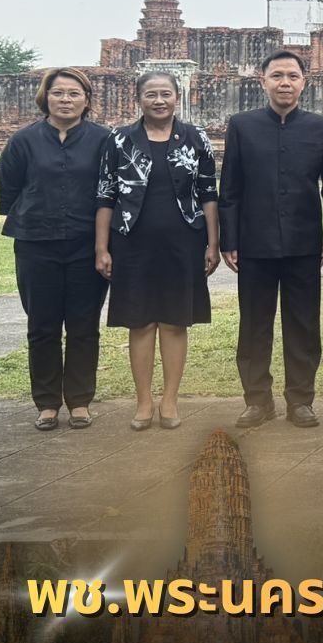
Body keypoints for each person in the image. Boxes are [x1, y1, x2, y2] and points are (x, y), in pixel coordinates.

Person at [219, 49, 323, 429]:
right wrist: (229, 239)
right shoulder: (242, 125)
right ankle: (257, 401)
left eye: (292, 75)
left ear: (304, 82)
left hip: (303, 242)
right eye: (277, 75)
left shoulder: (319, 127)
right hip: (254, 243)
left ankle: (300, 400)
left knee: (303, 324)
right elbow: (230, 188)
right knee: (254, 324)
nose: (285, 82)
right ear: (263, 81)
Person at [94, 71, 219, 431]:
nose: (159, 100)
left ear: (177, 98)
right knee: (141, 321)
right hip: (132, 241)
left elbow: (209, 193)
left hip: (184, 240)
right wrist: (102, 248)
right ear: (139, 99)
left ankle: (170, 400)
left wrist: (213, 243)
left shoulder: (195, 138)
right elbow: (105, 194)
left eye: (166, 93)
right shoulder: (119, 139)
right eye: (151, 94)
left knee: (175, 321)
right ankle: (144, 401)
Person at [0, 67, 110, 431]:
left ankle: (79, 401)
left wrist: (103, 245)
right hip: (35, 243)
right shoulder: (24, 141)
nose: (66, 100)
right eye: (58, 93)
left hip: (86, 244)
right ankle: (47, 403)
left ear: (87, 100)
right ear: (45, 97)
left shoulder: (103, 140)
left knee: (83, 325)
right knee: (42, 326)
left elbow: (111, 193)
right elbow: (10, 192)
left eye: (74, 94)